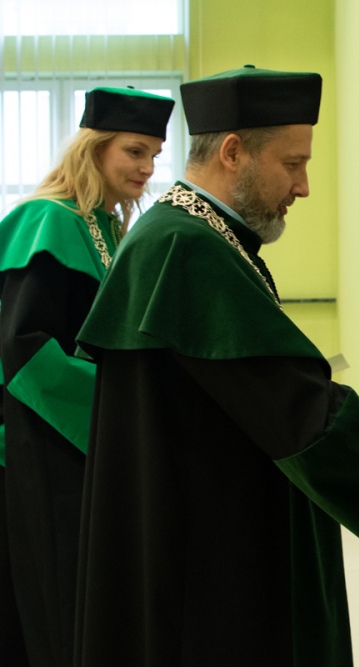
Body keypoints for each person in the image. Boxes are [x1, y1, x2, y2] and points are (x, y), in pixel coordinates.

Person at [70, 65, 359, 666]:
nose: (303, 187)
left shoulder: (197, 236)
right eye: (293, 164)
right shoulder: (184, 245)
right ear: (233, 152)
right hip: (207, 554)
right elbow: (295, 407)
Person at [0, 86, 174, 667]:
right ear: (94, 149)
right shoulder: (46, 219)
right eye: (134, 152)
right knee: (58, 603)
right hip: (45, 441)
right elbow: (26, 349)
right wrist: (120, 406)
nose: (147, 168)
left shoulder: (105, 228)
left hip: (86, 441)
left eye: (154, 155)